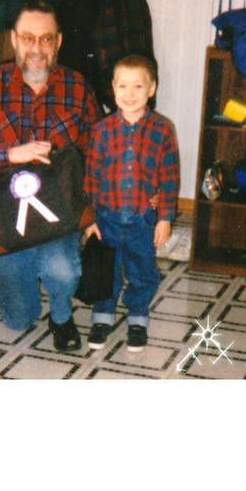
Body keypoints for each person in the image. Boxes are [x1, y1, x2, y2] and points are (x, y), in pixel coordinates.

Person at [0, 0, 102, 351]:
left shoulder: (78, 87)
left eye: (46, 39)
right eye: (28, 38)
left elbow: (98, 155)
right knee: (18, 319)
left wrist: (93, 215)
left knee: (63, 271)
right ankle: (18, 287)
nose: (37, 48)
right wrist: (9, 155)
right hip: (6, 217)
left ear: (58, 41)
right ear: (14, 40)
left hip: (59, 213)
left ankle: (61, 315)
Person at [83, 54, 179, 352]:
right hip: (107, 217)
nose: (129, 94)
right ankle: (102, 317)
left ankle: (137, 317)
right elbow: (91, 177)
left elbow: (169, 178)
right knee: (105, 270)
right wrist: (89, 219)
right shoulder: (102, 130)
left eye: (138, 86)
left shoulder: (162, 130)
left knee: (142, 270)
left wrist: (165, 219)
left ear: (152, 88)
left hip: (142, 219)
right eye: (122, 86)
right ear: (113, 88)